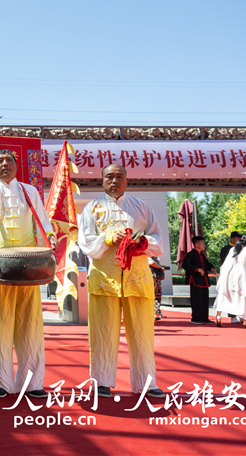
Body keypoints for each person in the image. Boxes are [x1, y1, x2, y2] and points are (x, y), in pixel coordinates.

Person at [0, 151, 57, 399]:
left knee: (30, 326)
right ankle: (0, 383)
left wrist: (49, 237)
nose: (4, 164)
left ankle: (32, 383)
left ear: (17, 165)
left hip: (27, 270)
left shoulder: (30, 191)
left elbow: (43, 223)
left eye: (9, 160)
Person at [77, 164, 166, 399]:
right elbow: (85, 244)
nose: (114, 180)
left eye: (119, 176)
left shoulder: (141, 207)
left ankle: (146, 383)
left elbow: (158, 239)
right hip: (104, 280)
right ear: (102, 180)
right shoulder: (92, 209)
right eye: (109, 176)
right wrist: (107, 238)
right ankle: (102, 381)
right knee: (102, 332)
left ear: (127, 180)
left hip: (137, 280)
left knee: (143, 334)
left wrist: (142, 242)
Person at [213, 234, 246, 328]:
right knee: (244, 297)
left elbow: (225, 265)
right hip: (241, 278)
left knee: (224, 296)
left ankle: (218, 315)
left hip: (228, 277)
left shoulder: (233, 249)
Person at [181, 236, 215, 324]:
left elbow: (207, 264)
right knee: (197, 299)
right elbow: (185, 264)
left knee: (204, 299)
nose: (204, 245)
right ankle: (196, 318)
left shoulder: (202, 255)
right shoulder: (191, 254)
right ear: (196, 244)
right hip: (195, 280)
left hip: (204, 280)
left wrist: (211, 268)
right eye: (202, 243)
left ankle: (204, 317)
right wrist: (197, 269)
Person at [148, 256, 165, 321]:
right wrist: (160, 267)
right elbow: (151, 262)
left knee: (157, 295)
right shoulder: (148, 253)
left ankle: (157, 312)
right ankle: (153, 313)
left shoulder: (154, 255)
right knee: (153, 295)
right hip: (151, 277)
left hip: (156, 277)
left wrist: (160, 266)